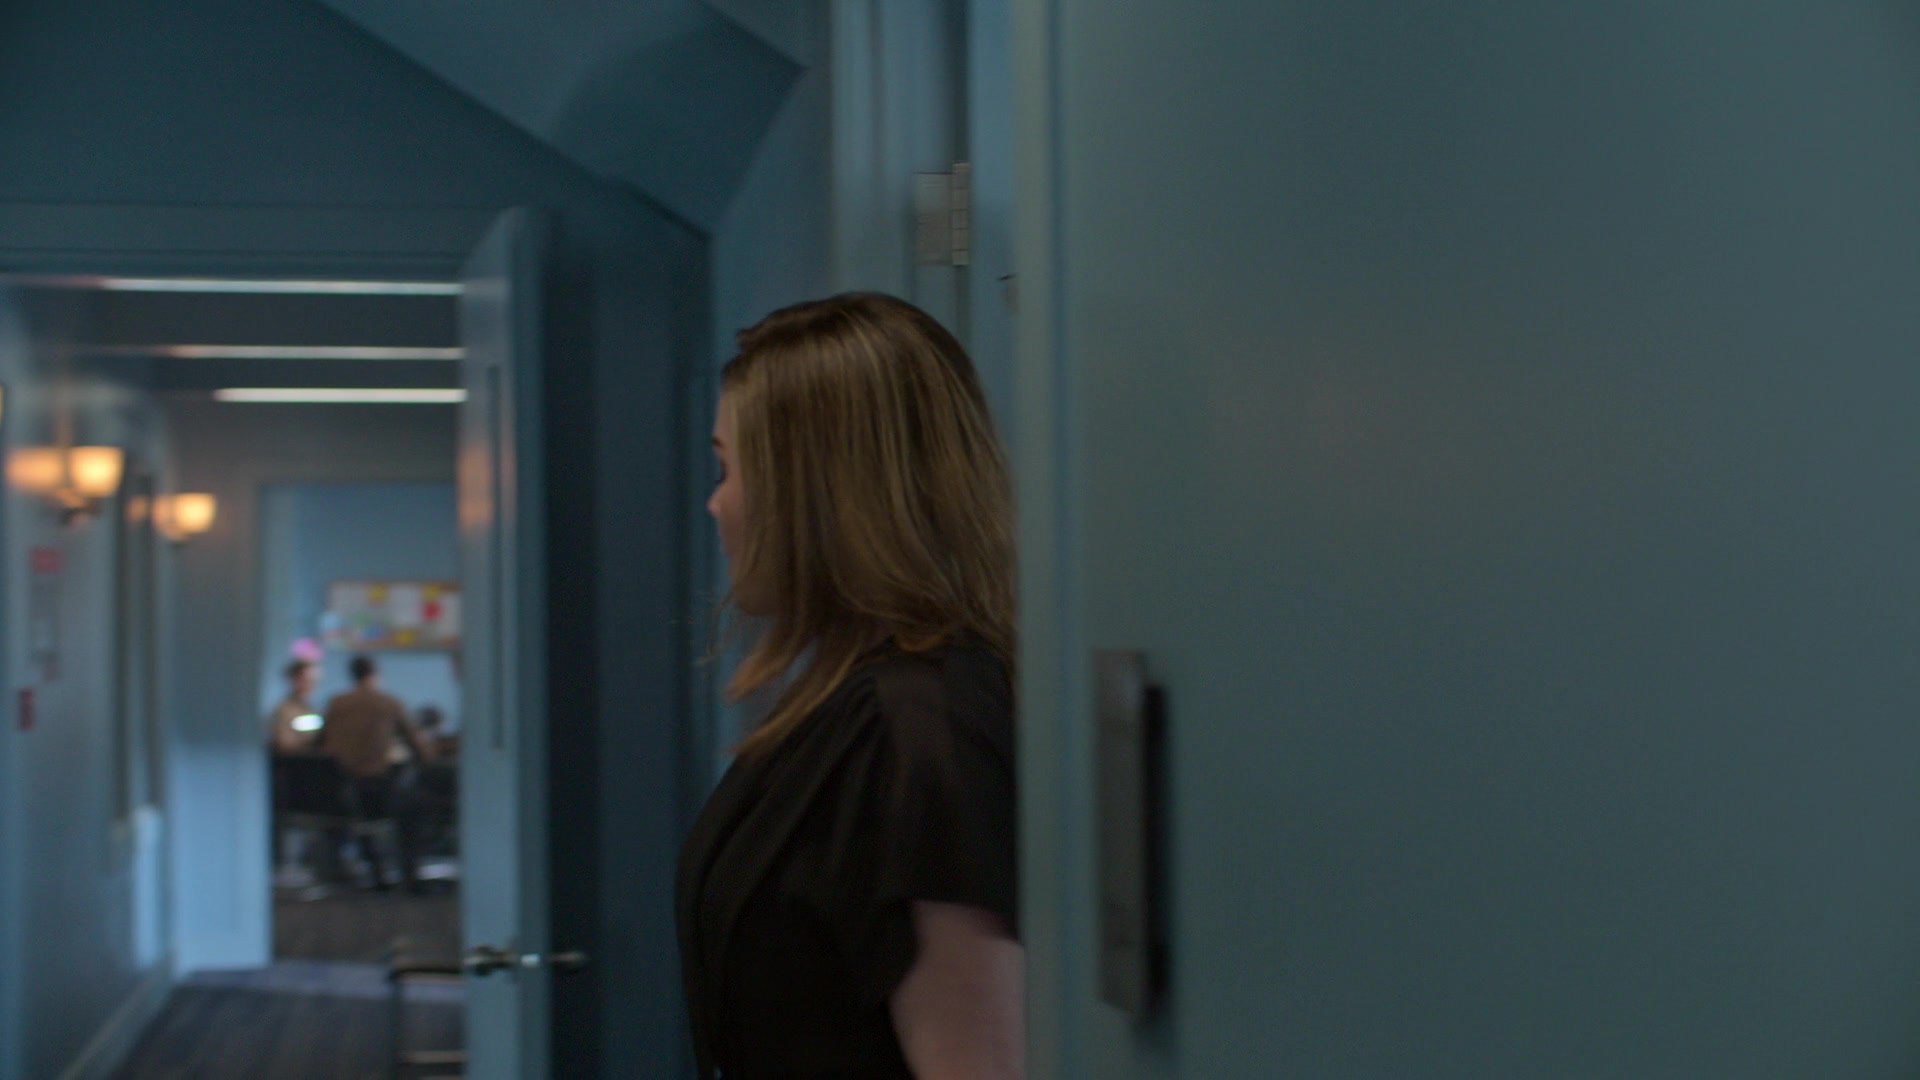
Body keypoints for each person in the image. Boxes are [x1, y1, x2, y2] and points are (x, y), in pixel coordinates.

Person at [676, 293, 1023, 1079]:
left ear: (814, 491)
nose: (716, 503)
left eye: (729, 469)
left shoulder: (922, 728)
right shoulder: (852, 705)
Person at [320, 655, 432, 892]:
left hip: (337, 788)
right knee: (415, 805)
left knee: (360, 816)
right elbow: (419, 749)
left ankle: (371, 868)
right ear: (376, 675)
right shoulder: (388, 703)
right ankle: (410, 874)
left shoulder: (336, 704)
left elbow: (321, 742)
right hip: (376, 788)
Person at [267, 659, 322, 754]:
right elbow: (284, 743)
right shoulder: (284, 710)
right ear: (295, 680)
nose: (312, 686)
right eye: (308, 681)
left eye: (315, 681)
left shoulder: (315, 709)